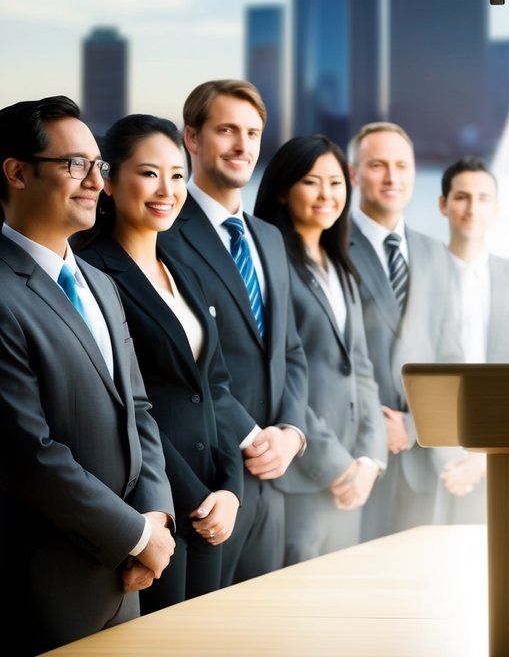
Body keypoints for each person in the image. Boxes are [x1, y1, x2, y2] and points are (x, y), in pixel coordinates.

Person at [0, 96, 174, 655]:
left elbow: (138, 409)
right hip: (44, 580)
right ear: (17, 171)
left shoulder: (100, 283)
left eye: (98, 166)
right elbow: (29, 453)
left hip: (127, 577)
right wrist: (135, 535)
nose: (95, 181)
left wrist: (156, 518)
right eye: (74, 164)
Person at [75, 115, 243, 613]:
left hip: (213, 505)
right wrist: (193, 499)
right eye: (149, 173)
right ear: (108, 180)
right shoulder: (93, 274)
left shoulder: (184, 269)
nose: (166, 189)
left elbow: (214, 386)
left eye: (176, 174)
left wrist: (230, 488)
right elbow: (127, 407)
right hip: (156, 510)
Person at [158, 79, 308, 583]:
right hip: (210, 484)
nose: (243, 146)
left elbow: (290, 349)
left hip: (276, 482)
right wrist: (252, 437)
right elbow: (180, 366)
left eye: (253, 132)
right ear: (193, 139)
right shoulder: (164, 234)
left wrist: (290, 434)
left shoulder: (268, 235)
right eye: (227, 130)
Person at [254, 136, 386, 563]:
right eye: (312, 182)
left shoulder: (341, 265)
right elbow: (279, 374)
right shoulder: (273, 265)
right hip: (306, 472)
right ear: (281, 189)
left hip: (353, 476)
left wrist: (368, 459)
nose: (327, 195)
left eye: (335, 182)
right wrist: (336, 464)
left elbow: (361, 369)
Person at [346, 123, 462, 541]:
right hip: (354, 459)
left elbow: (449, 361)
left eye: (402, 166)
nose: (392, 178)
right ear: (354, 173)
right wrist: (377, 428)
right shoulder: (331, 245)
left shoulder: (436, 255)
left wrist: (413, 426)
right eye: (378, 165)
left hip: (421, 462)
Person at [435, 156, 509, 523]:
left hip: (504, 461)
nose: (473, 208)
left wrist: (485, 457)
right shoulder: (420, 273)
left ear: (497, 208)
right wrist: (451, 457)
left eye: (484, 198)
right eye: (461, 197)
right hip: (434, 460)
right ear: (443, 205)